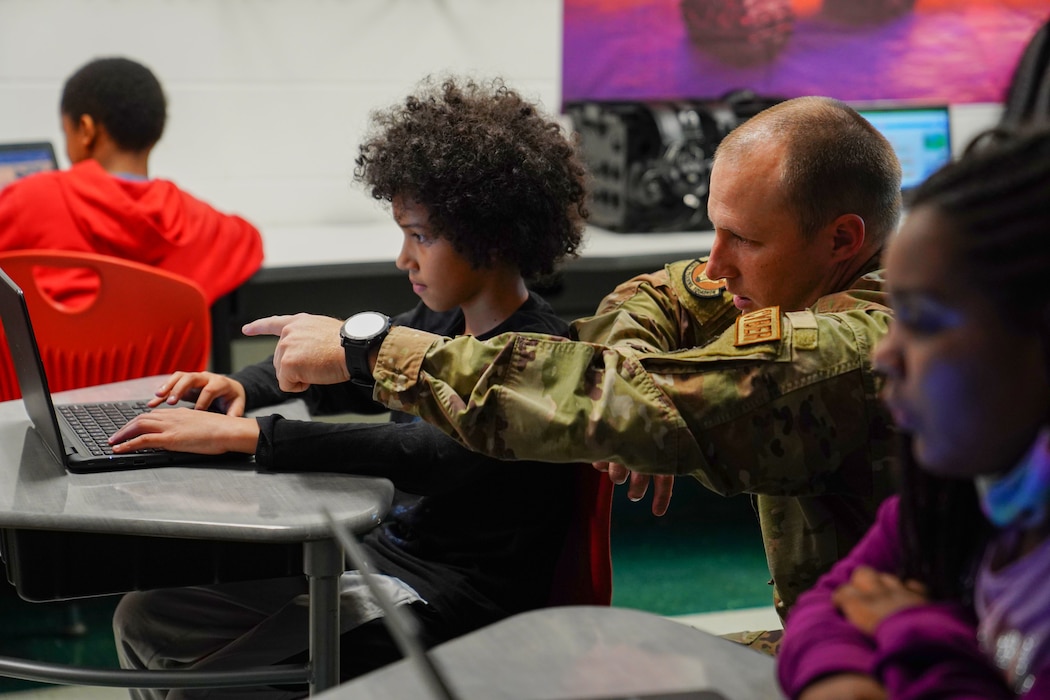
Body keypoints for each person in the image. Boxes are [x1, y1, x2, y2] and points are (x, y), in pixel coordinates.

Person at [243, 95, 904, 629]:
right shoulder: (801, 276)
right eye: (716, 229)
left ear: (842, 238)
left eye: (746, 240)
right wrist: (627, 393)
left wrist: (368, 352)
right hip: (841, 633)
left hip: (910, 662)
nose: (714, 264)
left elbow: (637, 405)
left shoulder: (859, 349)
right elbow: (658, 295)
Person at [107, 75, 589, 698]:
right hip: (384, 561)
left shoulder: (542, 355)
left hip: (453, 602)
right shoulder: (440, 323)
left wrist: (247, 436)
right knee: (144, 617)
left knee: (215, 686)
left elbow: (424, 456)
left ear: (490, 237)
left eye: (420, 236)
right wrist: (241, 388)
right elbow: (350, 369)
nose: (403, 259)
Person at [777, 126, 1050, 699]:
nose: (884, 354)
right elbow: (827, 606)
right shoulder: (953, 502)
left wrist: (915, 632)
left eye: (922, 320)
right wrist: (845, 680)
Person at [0, 56, 263, 308]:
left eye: (66, 132)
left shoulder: (28, 201)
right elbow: (249, 240)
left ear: (86, 130)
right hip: (156, 357)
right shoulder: (192, 218)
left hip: (47, 356)